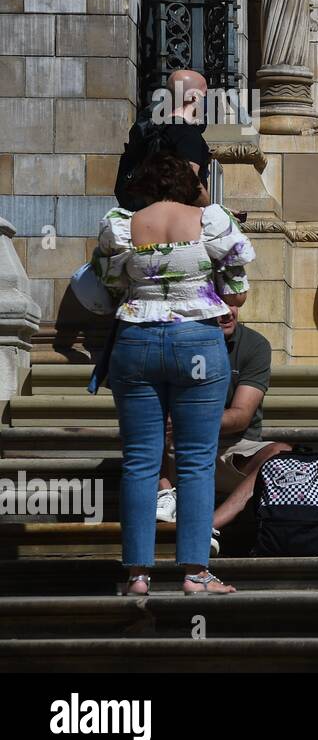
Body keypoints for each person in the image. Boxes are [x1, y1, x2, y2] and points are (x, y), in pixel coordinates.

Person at [93, 152, 255, 596]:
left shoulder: (121, 223)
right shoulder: (211, 220)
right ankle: (195, 573)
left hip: (136, 342)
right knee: (197, 462)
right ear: (190, 185)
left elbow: (109, 284)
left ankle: (138, 575)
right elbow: (237, 293)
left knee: (141, 462)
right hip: (196, 343)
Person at [154, 306, 290, 543]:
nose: (227, 313)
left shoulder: (254, 345)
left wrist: (189, 419)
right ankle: (166, 496)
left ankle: (207, 526)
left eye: (232, 303)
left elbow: (240, 416)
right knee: (143, 427)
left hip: (232, 449)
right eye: (217, 304)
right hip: (179, 449)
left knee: (282, 454)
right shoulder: (172, 340)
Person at [116, 69, 213, 210]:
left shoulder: (155, 127)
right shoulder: (186, 132)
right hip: (175, 218)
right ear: (194, 97)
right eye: (205, 95)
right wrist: (213, 209)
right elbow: (191, 182)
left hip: (145, 213)